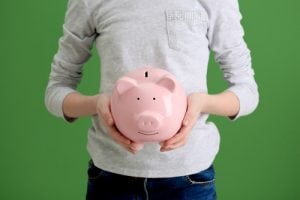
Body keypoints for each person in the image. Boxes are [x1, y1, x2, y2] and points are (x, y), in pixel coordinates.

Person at [45, 0, 259, 199]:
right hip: (110, 177)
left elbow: (248, 91)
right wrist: (96, 104)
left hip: (189, 180)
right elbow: (56, 91)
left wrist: (202, 103)